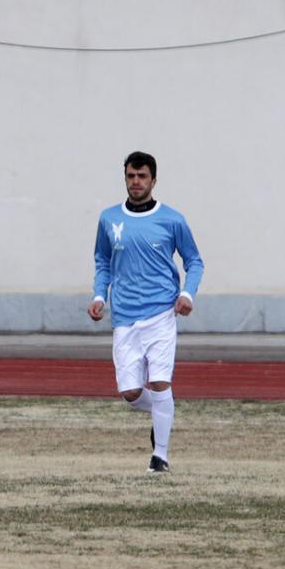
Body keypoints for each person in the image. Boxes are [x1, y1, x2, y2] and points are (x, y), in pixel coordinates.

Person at [89, 151, 204, 474]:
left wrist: (186, 294)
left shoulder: (172, 219)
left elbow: (194, 261)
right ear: (125, 178)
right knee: (130, 393)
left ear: (153, 180)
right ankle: (162, 414)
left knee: (159, 383)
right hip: (124, 316)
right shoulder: (109, 219)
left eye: (142, 176)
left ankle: (160, 457)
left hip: (161, 314)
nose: (136, 182)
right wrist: (100, 295)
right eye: (130, 176)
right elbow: (102, 260)